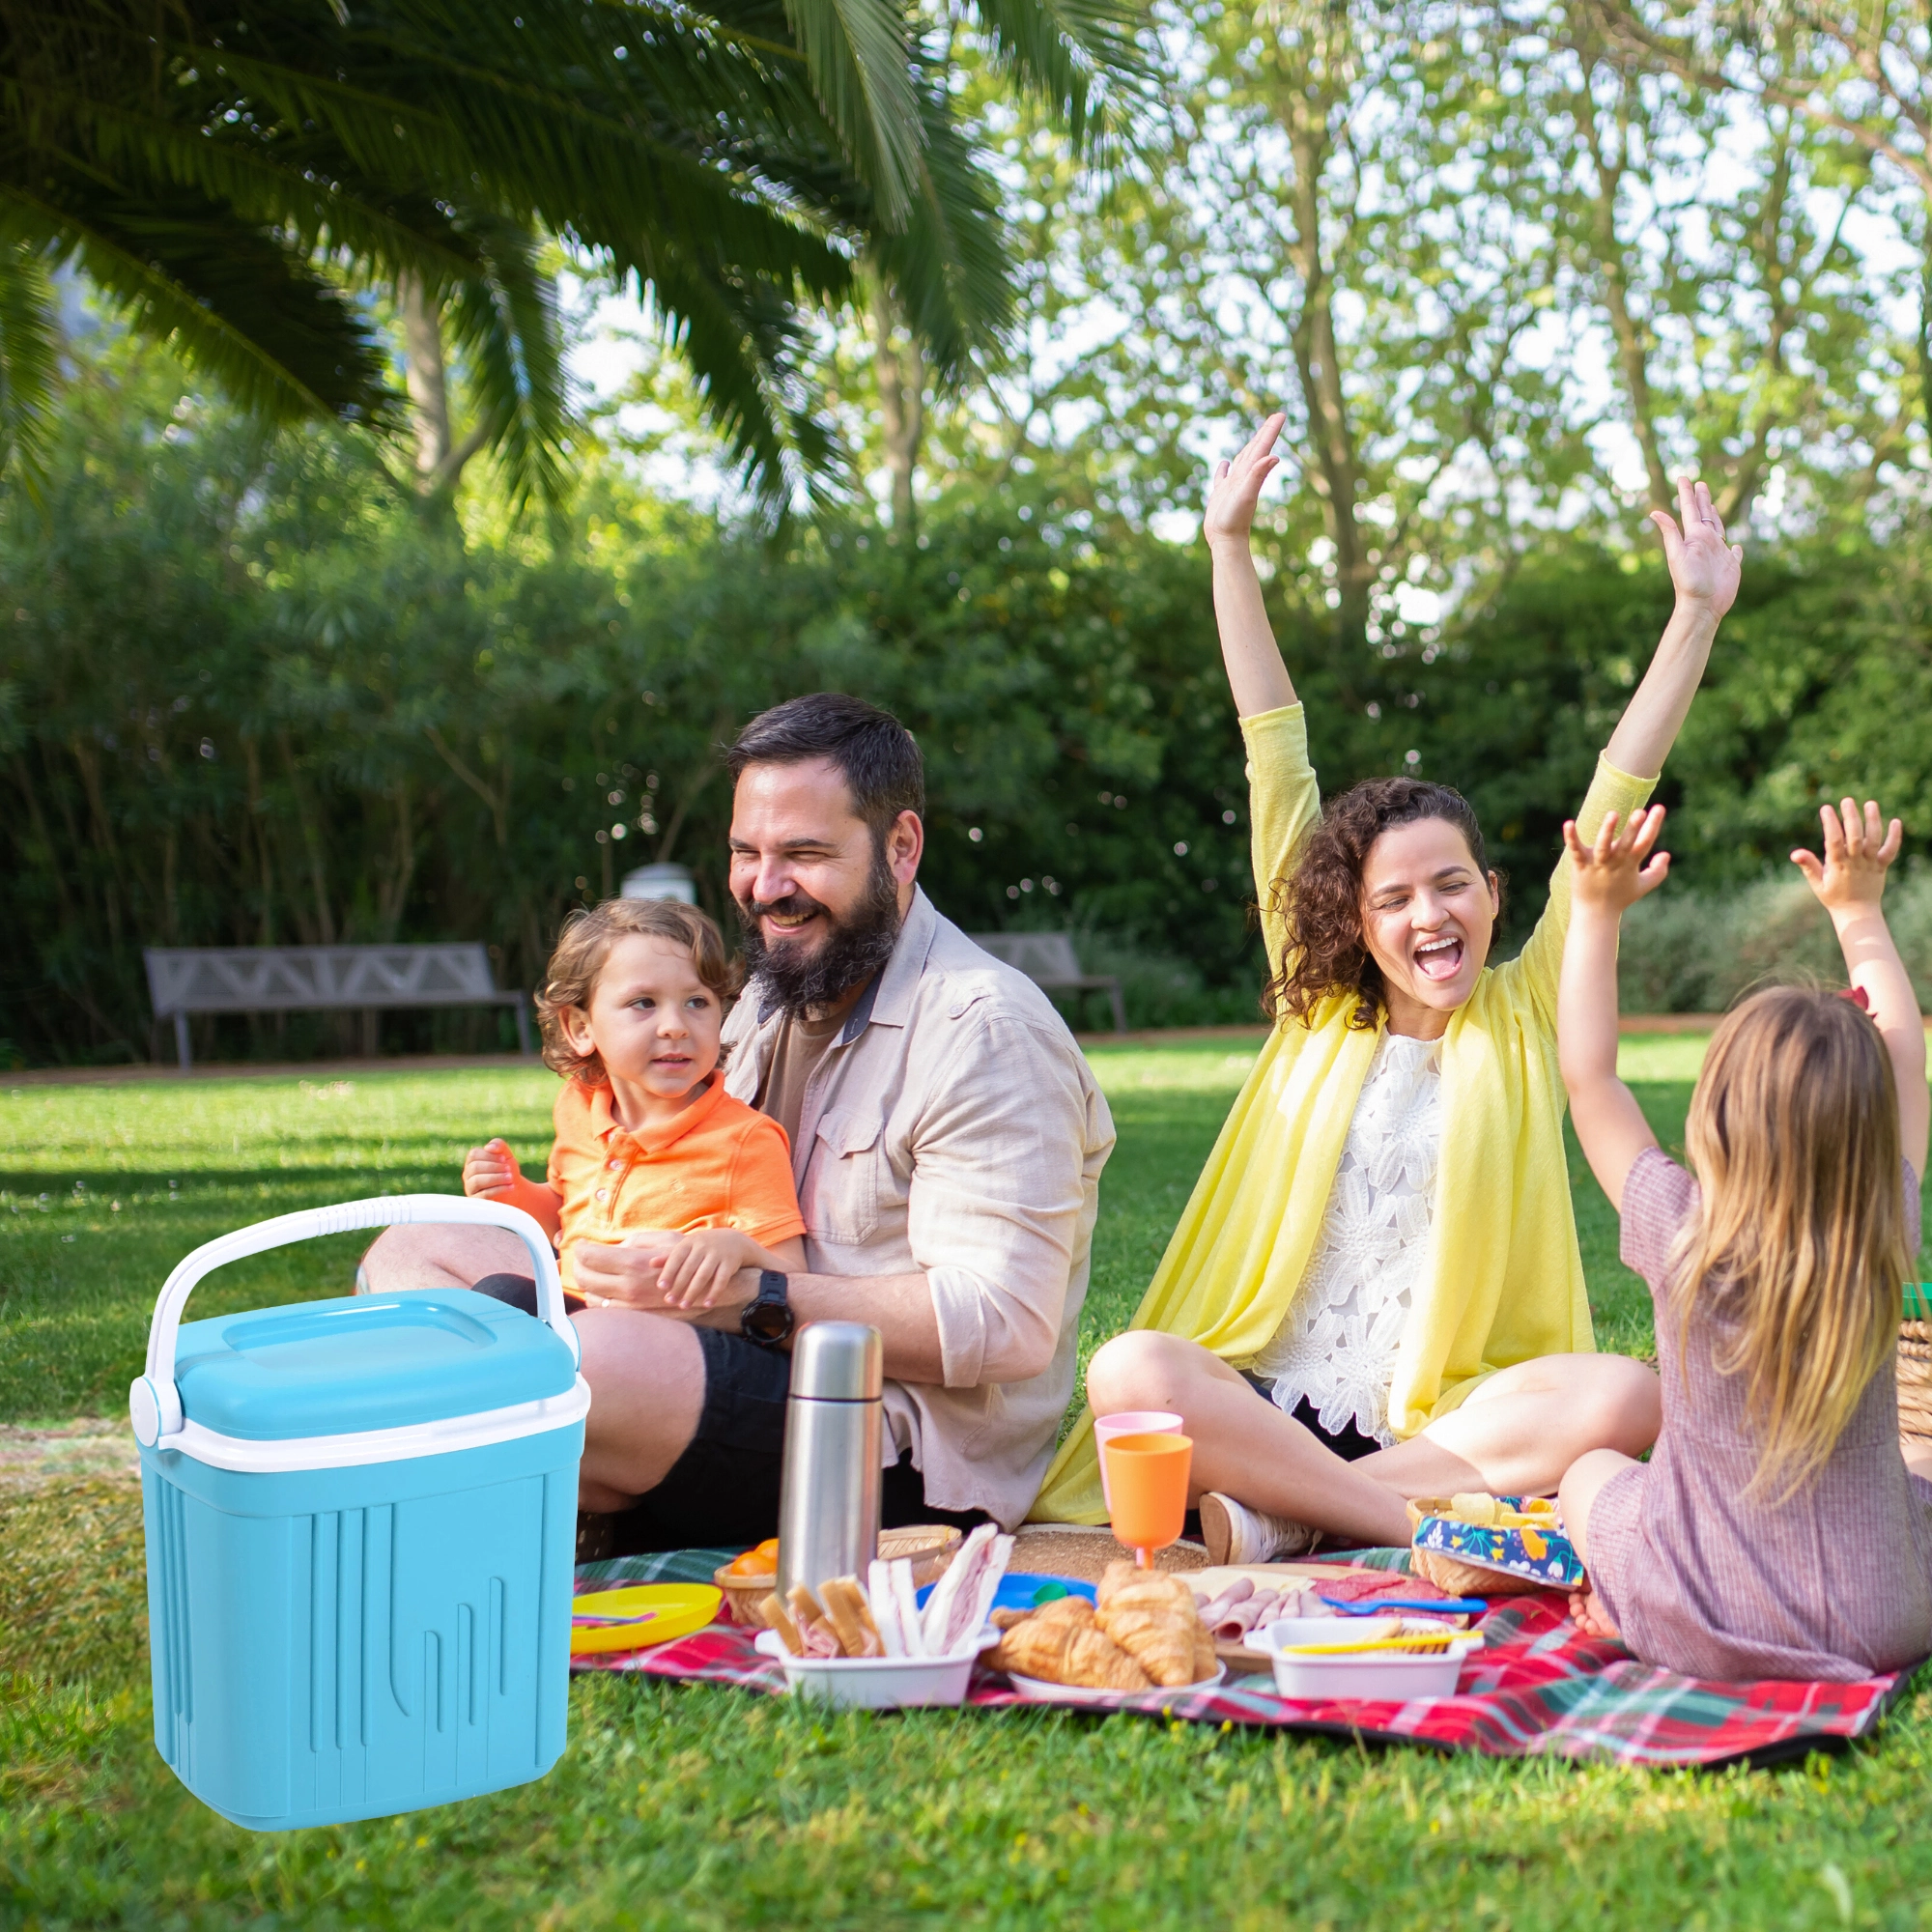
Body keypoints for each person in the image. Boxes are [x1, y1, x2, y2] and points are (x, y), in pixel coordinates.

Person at [1032, 411, 1741, 1559]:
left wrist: (1693, 614)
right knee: (1130, 1369)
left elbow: (1615, 790)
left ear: (1493, 895)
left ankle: (1279, 1514)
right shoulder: (1315, 1002)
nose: (1428, 914)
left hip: (1438, 1422)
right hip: (1263, 1396)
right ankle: (1396, 1522)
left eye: (1450, 885)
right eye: (1395, 897)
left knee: (1624, 1393)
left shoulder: (1525, 1010)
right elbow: (1274, 751)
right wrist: (1227, 548)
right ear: (1355, 923)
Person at [371, 693, 1115, 1552]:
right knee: (413, 1253)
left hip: (884, 1445)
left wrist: (750, 1298)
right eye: (746, 853)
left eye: (804, 854)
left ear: (901, 846)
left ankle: (527, 1485)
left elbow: (1007, 1325)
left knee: (582, 1362)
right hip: (704, 1350)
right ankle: (556, 1468)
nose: (766, 888)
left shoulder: (984, 1030)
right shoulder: (770, 990)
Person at [1556, 798, 1932, 1680]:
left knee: (1588, 1474)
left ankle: (1619, 1599)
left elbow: (1590, 1079)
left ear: (1717, 1117)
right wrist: (1859, 911)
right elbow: (1907, 1061)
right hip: (1884, 1618)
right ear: (1869, 1129)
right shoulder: (1883, 1223)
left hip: (1696, 1615)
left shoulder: (1679, 1232)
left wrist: (1595, 912)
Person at [451, 896, 807, 1315]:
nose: (675, 1027)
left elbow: (792, 1273)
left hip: (674, 1335)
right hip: (575, 1310)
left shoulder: (745, 1140)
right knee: (485, 1292)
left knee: (501, 1300)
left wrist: (735, 1248)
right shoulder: (578, 1107)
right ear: (581, 1028)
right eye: (644, 1003)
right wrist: (514, 1191)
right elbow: (566, 1215)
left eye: (697, 1002)